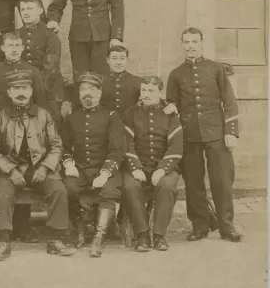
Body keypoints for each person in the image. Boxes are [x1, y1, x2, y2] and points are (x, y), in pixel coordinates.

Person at [0, 70, 75, 261]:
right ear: (9, 92)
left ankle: (55, 240)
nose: (21, 92)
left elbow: (56, 145)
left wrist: (45, 167)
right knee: (3, 193)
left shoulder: (44, 115)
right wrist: (10, 170)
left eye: (25, 88)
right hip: (10, 168)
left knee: (58, 189)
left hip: (40, 166)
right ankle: (3, 241)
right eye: (16, 88)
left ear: (31, 91)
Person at [166, 27, 241, 242]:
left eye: (194, 41)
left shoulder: (216, 69)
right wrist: (170, 107)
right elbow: (172, 104)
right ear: (182, 44)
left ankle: (227, 226)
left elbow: (229, 101)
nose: (190, 45)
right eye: (186, 42)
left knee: (222, 180)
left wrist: (231, 132)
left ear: (202, 43)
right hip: (189, 137)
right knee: (193, 182)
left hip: (217, 134)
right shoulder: (176, 74)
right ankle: (200, 225)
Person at [0, 31, 50, 242]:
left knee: (25, 176)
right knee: (1, 182)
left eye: (18, 45)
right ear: (2, 48)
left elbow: (42, 102)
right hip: (0, 137)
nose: (14, 49)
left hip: (27, 134)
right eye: (10, 45)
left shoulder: (32, 71)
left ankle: (22, 228)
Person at [61, 73, 126, 257]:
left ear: (99, 92)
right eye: (82, 89)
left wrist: (105, 173)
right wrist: (68, 164)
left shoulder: (111, 116)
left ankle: (99, 236)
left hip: (105, 168)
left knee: (108, 191)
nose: (86, 93)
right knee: (68, 187)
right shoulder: (72, 115)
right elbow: (64, 145)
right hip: (80, 168)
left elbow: (117, 150)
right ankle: (81, 231)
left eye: (91, 89)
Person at [122, 75, 183, 252]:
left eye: (151, 90)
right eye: (143, 90)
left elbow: (176, 146)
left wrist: (162, 169)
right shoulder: (130, 113)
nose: (146, 94)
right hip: (137, 165)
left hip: (164, 166)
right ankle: (142, 235)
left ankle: (159, 236)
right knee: (131, 186)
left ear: (160, 92)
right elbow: (127, 143)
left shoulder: (171, 114)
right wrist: (135, 168)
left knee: (167, 186)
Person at [15, 0, 65, 127]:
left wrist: (36, 86)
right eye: (23, 9)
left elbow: (51, 66)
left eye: (30, 8)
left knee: (52, 125)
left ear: (40, 11)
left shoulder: (50, 35)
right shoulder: (16, 35)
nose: (25, 12)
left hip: (49, 88)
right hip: (24, 86)